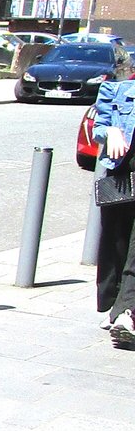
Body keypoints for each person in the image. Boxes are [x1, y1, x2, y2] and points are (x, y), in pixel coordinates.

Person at [93, 78, 135, 347]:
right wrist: (110, 132)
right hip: (121, 173)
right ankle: (117, 306)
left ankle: (127, 311)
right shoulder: (117, 90)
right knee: (115, 242)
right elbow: (98, 128)